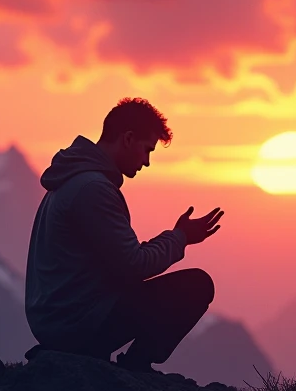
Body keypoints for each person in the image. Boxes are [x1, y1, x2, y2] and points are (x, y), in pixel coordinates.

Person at [24, 97, 224, 373]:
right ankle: (136, 368)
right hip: (76, 324)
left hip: (56, 319)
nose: (147, 162)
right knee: (197, 286)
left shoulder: (71, 179)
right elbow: (134, 265)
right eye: (147, 150)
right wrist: (180, 237)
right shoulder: (93, 189)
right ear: (128, 139)